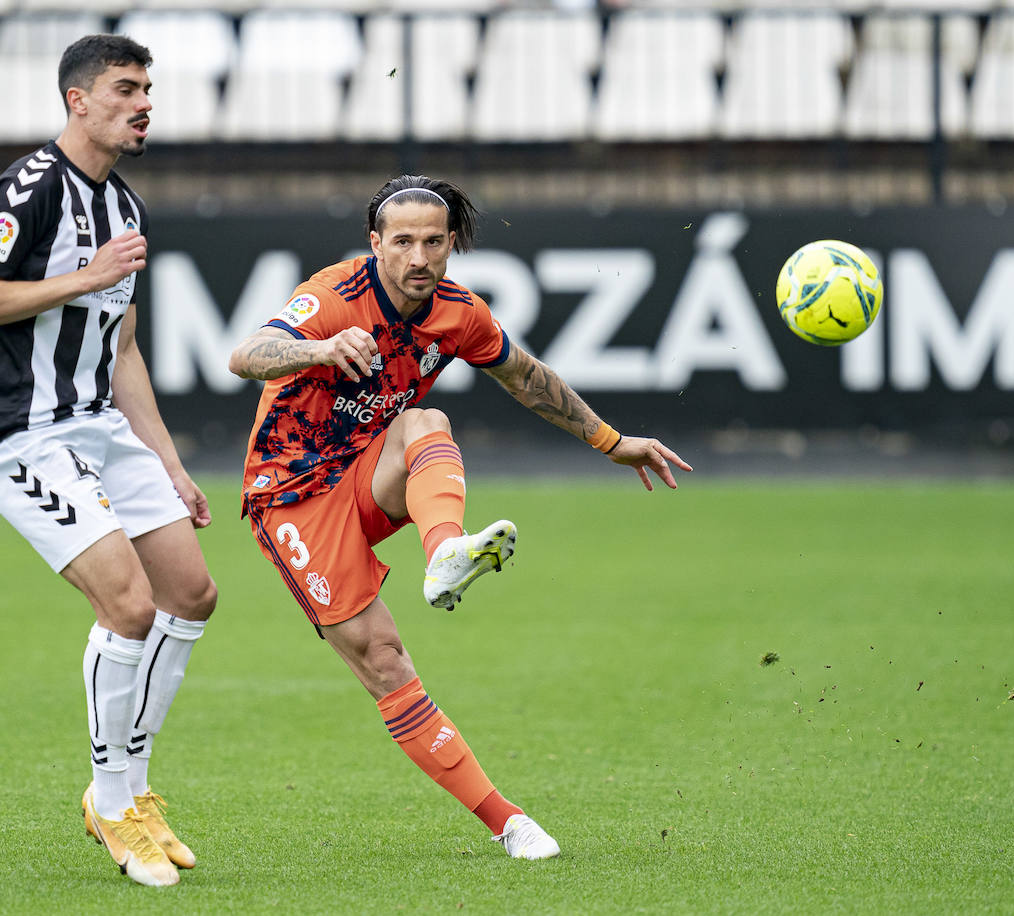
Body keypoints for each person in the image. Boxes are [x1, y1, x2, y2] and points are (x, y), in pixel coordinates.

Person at [228, 175, 691, 860]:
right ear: (376, 243)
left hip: (366, 474)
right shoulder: (333, 296)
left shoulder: (458, 311)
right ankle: (508, 819)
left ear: (453, 245)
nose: (419, 257)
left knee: (426, 421)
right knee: (384, 660)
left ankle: (445, 551)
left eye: (434, 242)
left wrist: (612, 442)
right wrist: (318, 349)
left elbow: (526, 376)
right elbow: (246, 355)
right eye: (404, 241)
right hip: (292, 493)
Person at [0, 35, 216, 888]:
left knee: (191, 593)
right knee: (128, 605)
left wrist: (168, 464)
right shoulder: (28, 190)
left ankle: (133, 793)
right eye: (125, 88)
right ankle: (108, 802)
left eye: (148, 89)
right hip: (25, 435)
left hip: (102, 424)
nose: (143, 103)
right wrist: (83, 275)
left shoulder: (127, 208)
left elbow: (125, 348)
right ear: (78, 100)